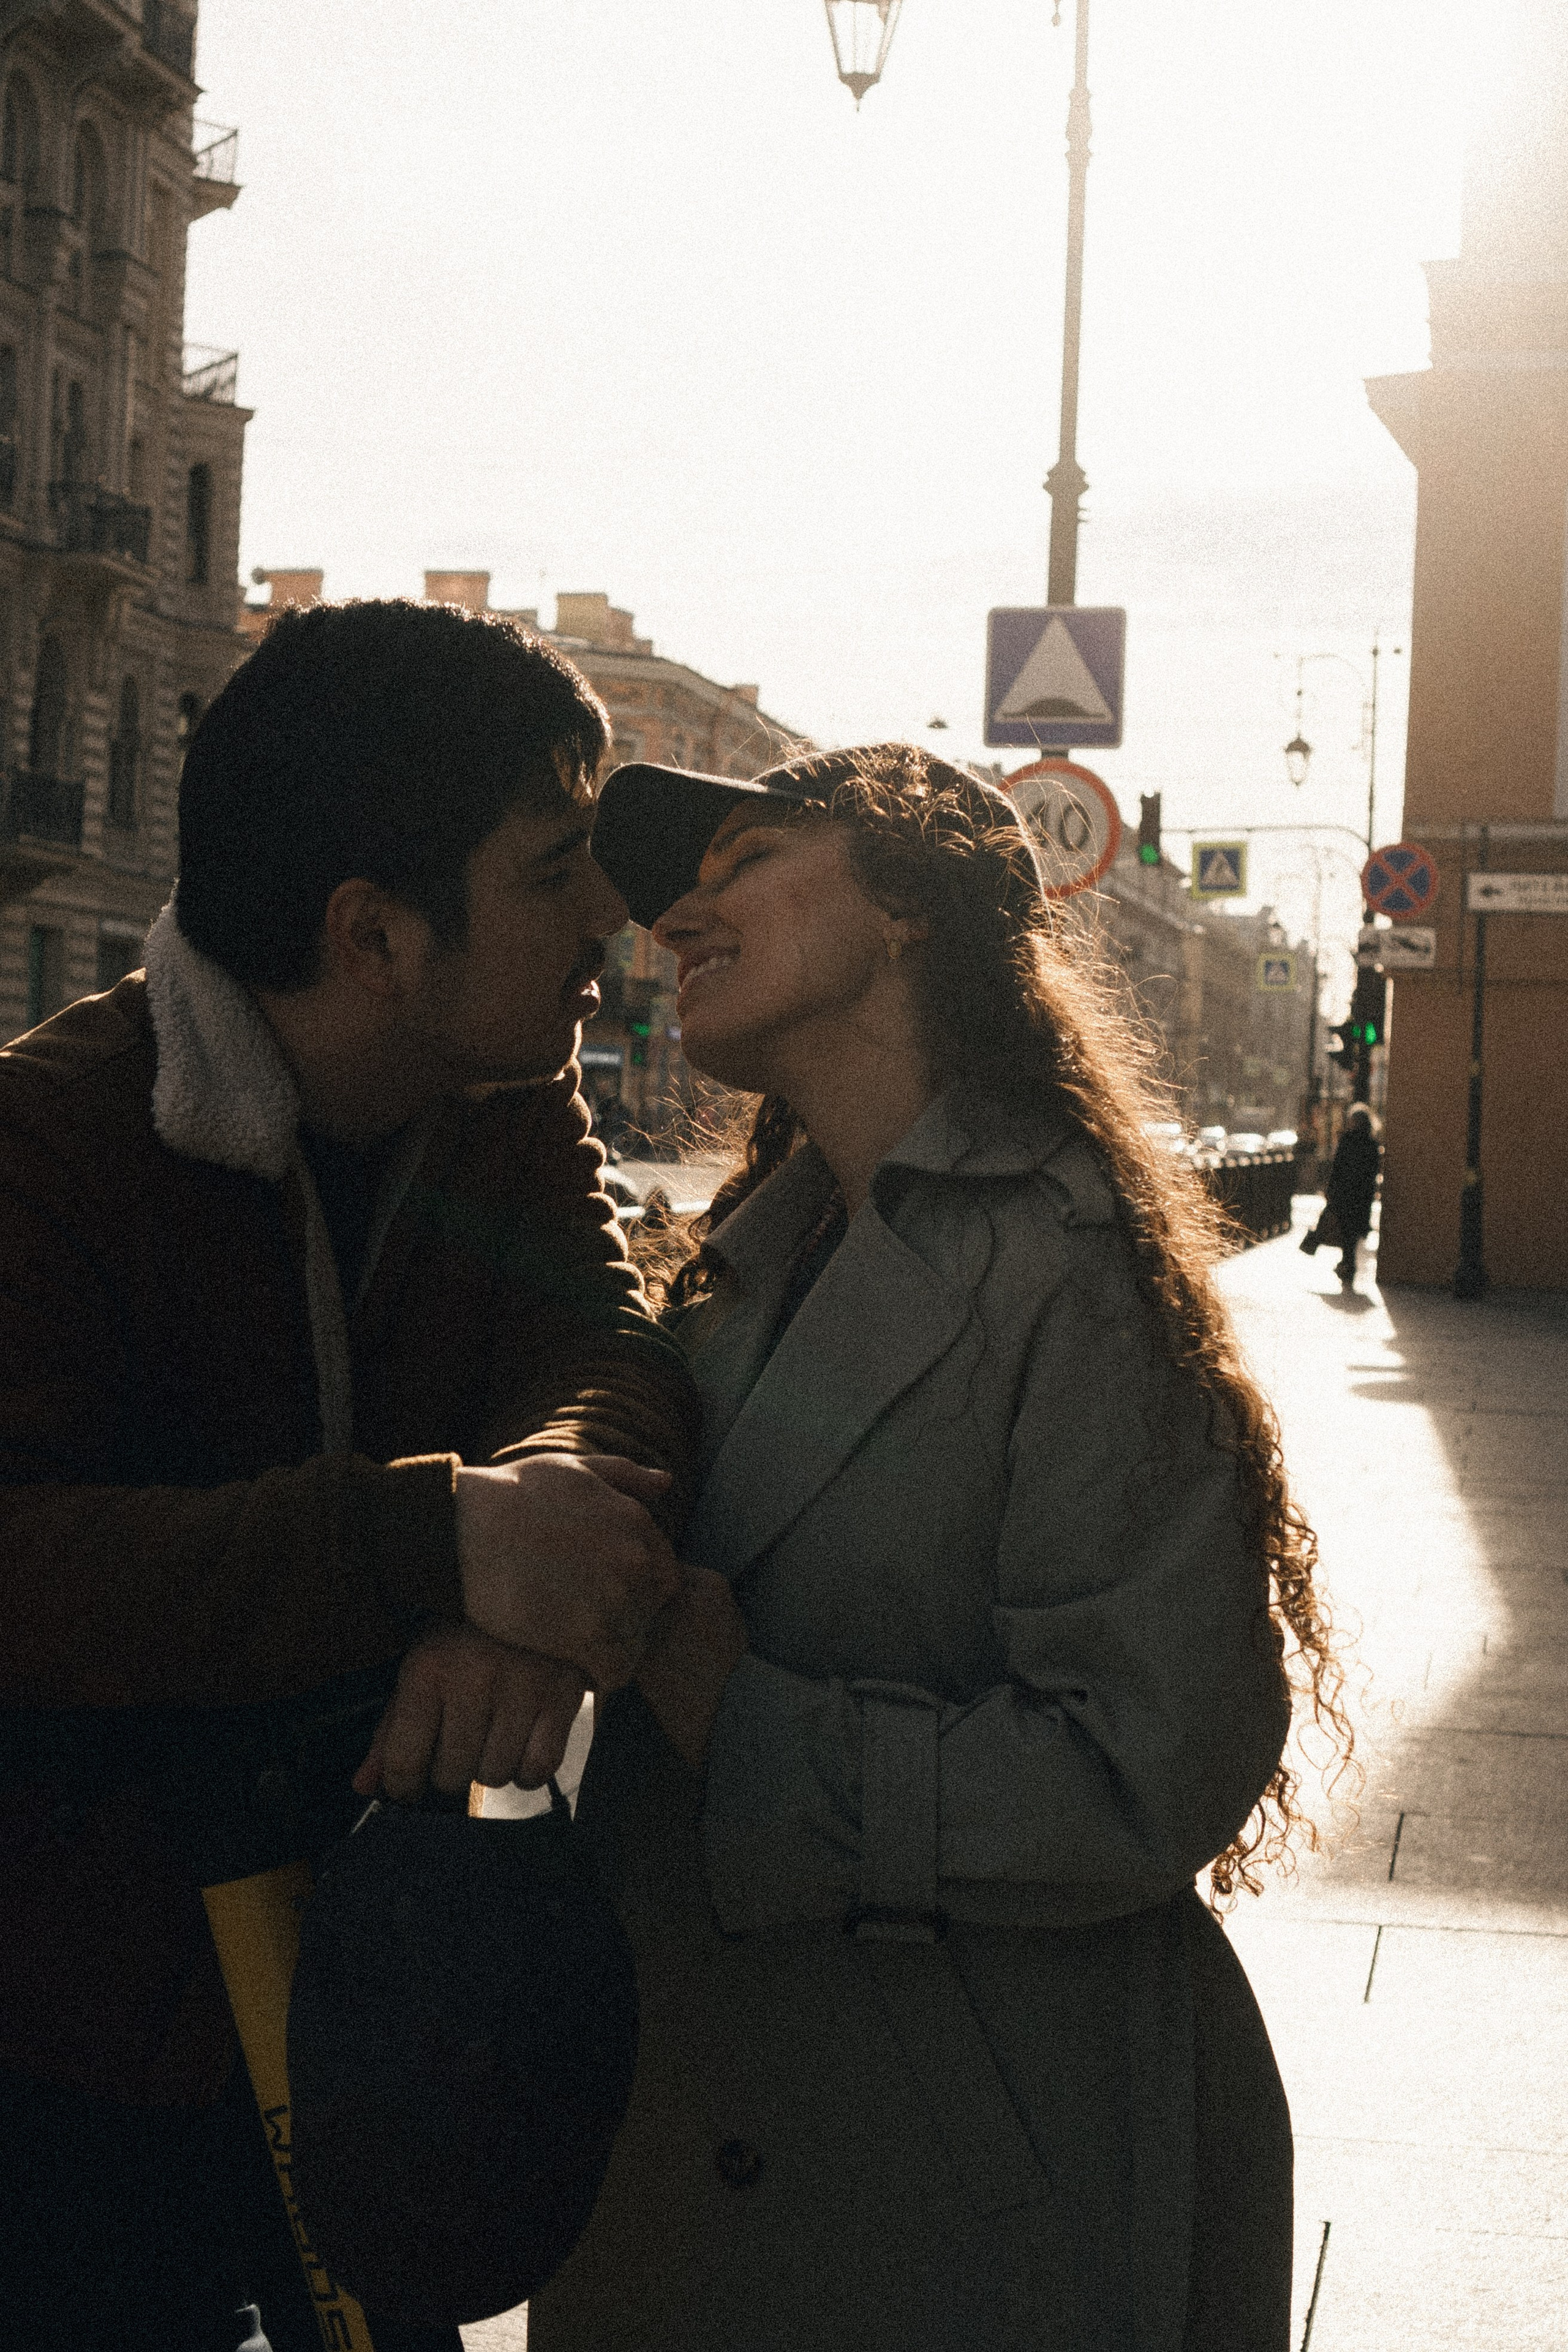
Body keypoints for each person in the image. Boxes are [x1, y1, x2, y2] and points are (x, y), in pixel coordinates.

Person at [530, 743, 1351, 2352]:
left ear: (906, 905)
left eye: (743, 859)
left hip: (966, 2164)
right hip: (714, 2129)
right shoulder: (753, 1254)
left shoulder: (1068, 1272)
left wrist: (749, 1729)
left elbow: (1150, 1761)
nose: (675, 914)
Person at [0, 601, 698, 2352]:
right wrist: (430, 1542)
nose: (608, 921)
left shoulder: (502, 1102)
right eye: (553, 872)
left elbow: (607, 1355)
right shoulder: (48, 1142)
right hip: (63, 2058)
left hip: (367, 2012)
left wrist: (523, 1548)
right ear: (373, 933)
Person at [1302, 1103, 1381, 1286]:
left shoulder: (1347, 1139)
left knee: (1340, 1225)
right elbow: (1372, 1172)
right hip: (1361, 1195)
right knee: (1352, 1233)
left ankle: (1346, 1264)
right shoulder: (1372, 1144)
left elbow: (1338, 1167)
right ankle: (1348, 1265)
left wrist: (1330, 1188)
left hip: (1343, 1193)